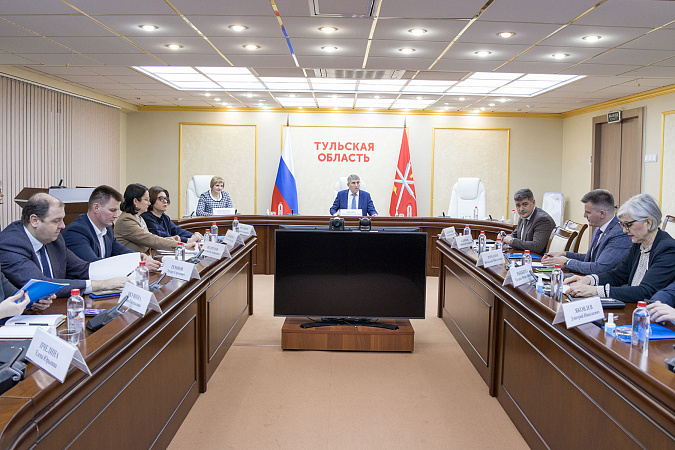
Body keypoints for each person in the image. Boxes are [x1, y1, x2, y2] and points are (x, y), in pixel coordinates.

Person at [0, 193, 128, 298]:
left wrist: (124, 273)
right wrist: (100, 285)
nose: (62, 226)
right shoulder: (11, 243)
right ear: (34, 221)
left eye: (62, 219)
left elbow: (82, 268)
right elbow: (41, 284)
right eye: (56, 221)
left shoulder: (55, 239)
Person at [565, 193, 675, 302]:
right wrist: (589, 280)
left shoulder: (668, 249)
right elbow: (618, 275)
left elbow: (645, 292)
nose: (624, 230)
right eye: (622, 225)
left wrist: (596, 291)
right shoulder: (639, 243)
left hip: (649, 310)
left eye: (628, 224)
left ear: (648, 222)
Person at [62, 185, 160, 270]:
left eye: (117, 210)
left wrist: (138, 256)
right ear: (96, 208)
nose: (116, 216)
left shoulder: (107, 228)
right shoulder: (76, 232)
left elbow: (119, 250)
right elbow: (94, 266)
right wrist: (136, 264)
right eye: (112, 210)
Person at [541, 189, 631, 274]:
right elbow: (590, 258)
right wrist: (564, 254)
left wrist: (566, 262)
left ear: (602, 214)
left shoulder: (620, 233)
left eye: (588, 212)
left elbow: (599, 268)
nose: (584, 215)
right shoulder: (598, 229)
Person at [115, 183, 196, 254]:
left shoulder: (138, 217)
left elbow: (149, 239)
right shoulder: (126, 220)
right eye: (146, 200)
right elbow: (150, 239)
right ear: (135, 201)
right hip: (132, 262)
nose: (149, 203)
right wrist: (183, 245)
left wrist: (169, 239)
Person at [500, 188, 555, 255]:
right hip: (525, 256)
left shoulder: (542, 219)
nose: (521, 209)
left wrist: (511, 241)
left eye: (525, 204)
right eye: (518, 205)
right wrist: (504, 237)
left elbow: (536, 247)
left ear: (533, 203)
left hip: (539, 259)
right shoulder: (523, 216)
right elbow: (515, 235)